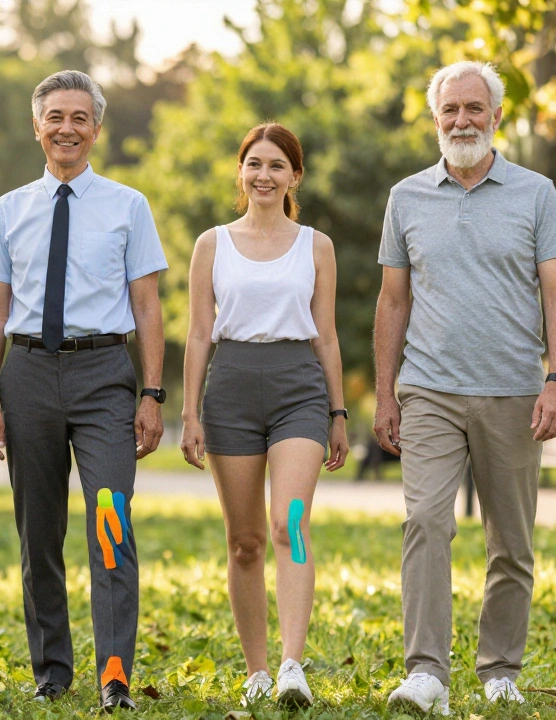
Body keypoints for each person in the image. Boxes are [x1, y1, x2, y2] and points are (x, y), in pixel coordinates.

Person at [373, 61, 556, 714]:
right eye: (449, 110)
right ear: (435, 121)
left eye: (473, 108)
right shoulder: (406, 197)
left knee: (510, 543)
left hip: (515, 392)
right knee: (426, 521)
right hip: (429, 391)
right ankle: (426, 673)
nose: (462, 120)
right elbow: (392, 302)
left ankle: (500, 672)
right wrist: (384, 393)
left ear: (496, 115)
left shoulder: (537, 193)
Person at [0, 70, 167, 712]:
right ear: (37, 126)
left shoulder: (128, 206)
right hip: (26, 377)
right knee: (39, 532)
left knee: (110, 525)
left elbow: (147, 305)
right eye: (56, 116)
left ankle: (114, 676)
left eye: (80, 117)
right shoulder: (8, 210)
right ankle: (53, 670)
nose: (67, 129)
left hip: (103, 376)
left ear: (97, 130)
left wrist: (152, 393)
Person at [179, 122, 349, 709]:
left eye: (277, 165)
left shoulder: (316, 246)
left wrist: (338, 412)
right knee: (246, 541)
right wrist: (189, 413)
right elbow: (200, 334)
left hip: (298, 390)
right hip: (229, 393)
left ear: (294, 176)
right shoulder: (212, 244)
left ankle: (291, 665)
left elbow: (326, 337)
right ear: (241, 172)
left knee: (289, 523)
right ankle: (256, 670)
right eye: (254, 163)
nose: (264, 175)